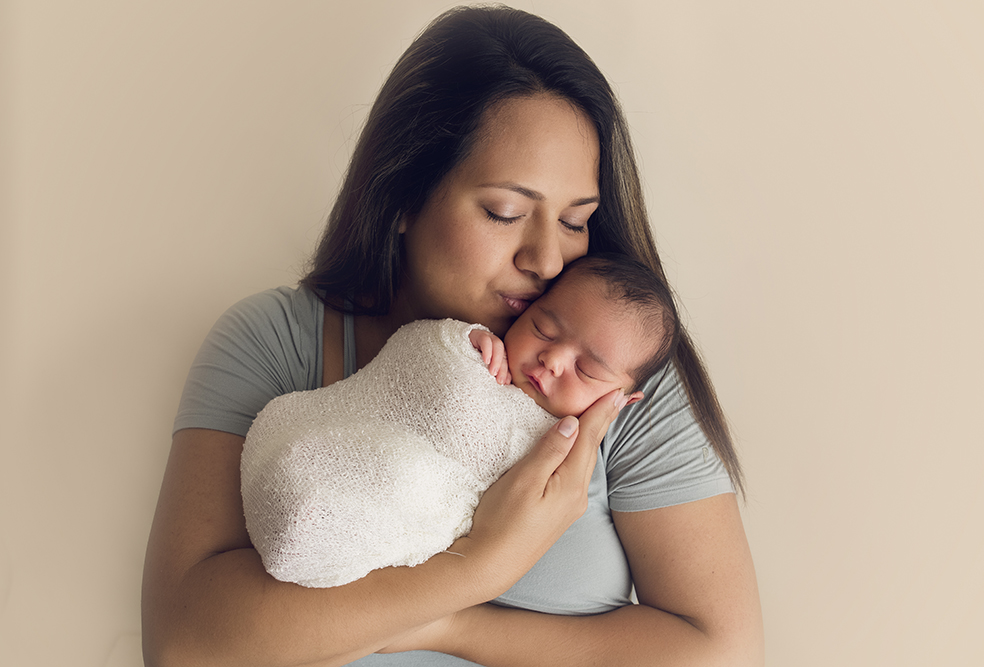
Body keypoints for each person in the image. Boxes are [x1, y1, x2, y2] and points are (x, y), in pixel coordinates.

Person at [142, 5, 764, 666]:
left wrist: (450, 627)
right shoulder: (274, 341)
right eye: (505, 212)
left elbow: (721, 650)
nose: (549, 261)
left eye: (577, 220)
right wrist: (476, 567)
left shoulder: (611, 370)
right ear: (404, 196)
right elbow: (184, 644)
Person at [241, 254, 673, 589]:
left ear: (622, 400)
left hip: (392, 497)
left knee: (403, 476)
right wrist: (461, 340)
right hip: (325, 444)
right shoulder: (483, 354)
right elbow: (418, 356)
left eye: (588, 371)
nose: (553, 359)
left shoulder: (570, 457)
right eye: (543, 328)